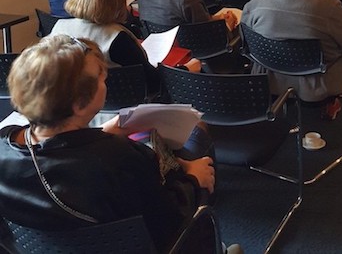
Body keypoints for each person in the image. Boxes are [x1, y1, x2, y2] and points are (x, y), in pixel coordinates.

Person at [0, 35, 217, 253]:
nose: (105, 78)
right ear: (79, 105)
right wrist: (192, 179)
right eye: (100, 77)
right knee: (197, 132)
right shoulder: (122, 158)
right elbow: (168, 222)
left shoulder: (5, 143)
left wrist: (101, 133)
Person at [51, 0, 199, 97]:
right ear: (117, 3)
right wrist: (185, 69)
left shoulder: (59, 27)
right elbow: (152, 84)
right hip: (122, 103)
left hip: (69, 99)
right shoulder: (118, 38)